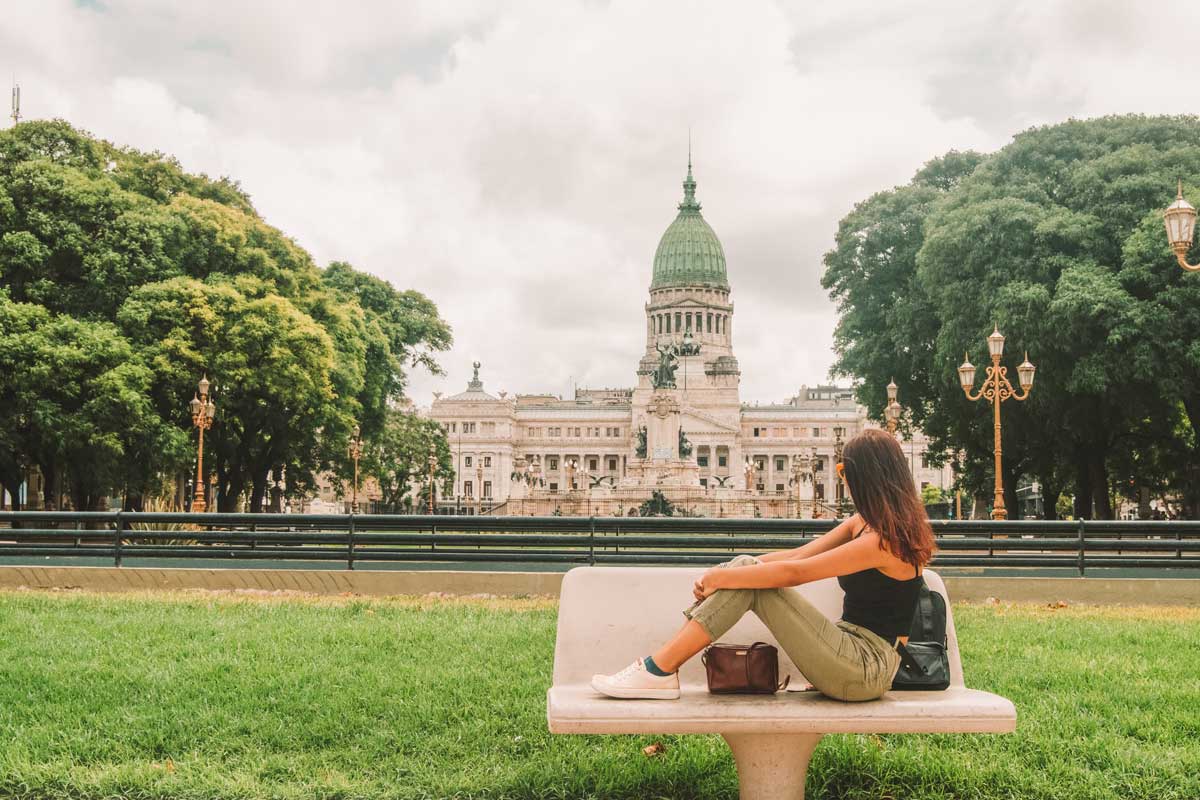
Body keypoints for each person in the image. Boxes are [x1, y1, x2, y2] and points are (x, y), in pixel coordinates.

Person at [591, 428, 935, 702]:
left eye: (844, 470)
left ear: (868, 477)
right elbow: (799, 555)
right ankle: (659, 669)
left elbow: (795, 574)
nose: (841, 478)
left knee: (750, 580)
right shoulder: (864, 523)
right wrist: (730, 570)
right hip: (846, 649)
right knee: (746, 569)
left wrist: (726, 577)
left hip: (866, 668)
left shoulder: (884, 541)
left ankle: (659, 669)